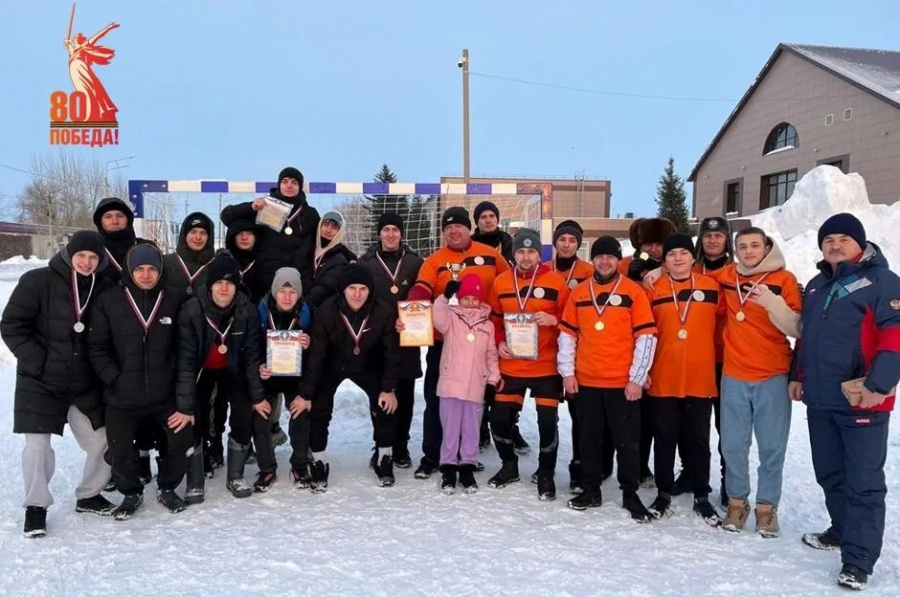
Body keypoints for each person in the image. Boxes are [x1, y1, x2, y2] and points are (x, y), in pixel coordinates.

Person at [649, 227, 801, 536]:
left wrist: (772, 302)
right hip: (732, 373)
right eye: (742, 246)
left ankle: (767, 508)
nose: (748, 251)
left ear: (767, 247)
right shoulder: (726, 278)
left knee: (772, 447)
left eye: (755, 245)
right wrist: (657, 269)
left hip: (772, 372)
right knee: (732, 446)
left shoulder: (784, 279)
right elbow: (682, 275)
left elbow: (797, 328)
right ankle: (736, 503)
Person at [792, 214, 900, 591]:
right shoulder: (817, 285)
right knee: (831, 474)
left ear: (860, 243)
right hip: (821, 399)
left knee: (864, 483)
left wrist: (880, 384)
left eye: (843, 239)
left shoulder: (882, 282)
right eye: (829, 239)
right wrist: (796, 375)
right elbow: (807, 338)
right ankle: (841, 529)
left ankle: (858, 560)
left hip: (862, 398)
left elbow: (895, 335)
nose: (835, 245)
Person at [1, 231, 116, 537]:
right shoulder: (37, 281)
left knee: (104, 439)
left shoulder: (105, 287)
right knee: (37, 447)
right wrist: (39, 363)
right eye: (82, 256)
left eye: (93, 257)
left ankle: (90, 494)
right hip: (40, 381)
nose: (87, 262)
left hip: (84, 383)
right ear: (69, 254)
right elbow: (11, 326)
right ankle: (36, 507)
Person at [87, 243, 194, 519]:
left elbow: (184, 349)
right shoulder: (109, 300)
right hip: (122, 396)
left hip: (164, 395)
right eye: (140, 269)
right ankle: (130, 492)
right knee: (121, 449)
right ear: (130, 271)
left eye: (152, 269)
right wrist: (115, 379)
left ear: (160, 271)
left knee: (180, 440)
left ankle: (167, 487)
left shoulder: (174, 298)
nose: (146, 275)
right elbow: (96, 348)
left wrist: (181, 396)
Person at [406, 206, 510, 479]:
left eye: (459, 226)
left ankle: (467, 457)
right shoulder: (434, 260)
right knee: (436, 399)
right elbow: (422, 288)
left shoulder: (491, 256)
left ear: (469, 228)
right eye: (448, 227)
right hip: (446, 343)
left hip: (480, 342)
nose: (454, 231)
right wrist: (409, 312)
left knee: (473, 404)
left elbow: (509, 286)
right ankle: (432, 455)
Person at [557, 236, 657, 522]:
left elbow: (646, 336)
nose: (604, 261)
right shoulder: (579, 293)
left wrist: (637, 378)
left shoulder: (632, 292)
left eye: (610, 257)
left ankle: (630, 493)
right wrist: (568, 373)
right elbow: (567, 336)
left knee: (627, 442)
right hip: (587, 382)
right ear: (593, 259)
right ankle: (591, 488)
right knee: (589, 440)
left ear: (617, 260)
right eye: (599, 256)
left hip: (621, 384)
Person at [297, 265, 402, 491]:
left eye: (362, 288)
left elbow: (391, 353)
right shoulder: (327, 311)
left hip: (367, 364)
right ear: (343, 290)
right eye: (351, 288)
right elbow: (317, 355)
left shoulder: (382, 311)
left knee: (386, 404)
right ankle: (319, 460)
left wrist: (389, 388)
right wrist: (306, 393)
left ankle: (384, 456)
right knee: (319, 405)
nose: (357, 293)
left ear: (370, 290)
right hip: (332, 364)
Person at [643, 233, 722, 526]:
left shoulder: (711, 287)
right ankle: (663, 492)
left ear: (693, 257)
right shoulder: (652, 288)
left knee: (699, 440)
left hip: (700, 377)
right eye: (672, 254)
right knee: (664, 439)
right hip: (663, 376)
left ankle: (701, 492)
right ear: (664, 260)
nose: (678, 258)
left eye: (683, 253)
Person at [487, 228, 569, 500]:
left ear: (539, 253)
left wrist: (554, 321)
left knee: (548, 423)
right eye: (520, 251)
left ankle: (546, 472)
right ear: (513, 254)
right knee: (498, 419)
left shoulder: (557, 281)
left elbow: (572, 322)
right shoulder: (501, 282)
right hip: (511, 365)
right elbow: (495, 321)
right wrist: (499, 342)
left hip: (546, 366)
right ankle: (509, 466)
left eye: (531, 251)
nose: (525, 256)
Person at [177, 253, 266, 501]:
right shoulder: (192, 310)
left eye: (230, 283)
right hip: (201, 369)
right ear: (211, 284)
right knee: (194, 414)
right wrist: (183, 405)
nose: (224, 288)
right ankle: (194, 480)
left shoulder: (246, 310)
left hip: (232, 368)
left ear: (237, 285)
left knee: (244, 409)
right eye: (219, 283)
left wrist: (257, 396)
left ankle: (235, 475)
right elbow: (184, 360)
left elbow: (251, 357)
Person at [670, 216, 734, 504]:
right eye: (707, 236)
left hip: (728, 359)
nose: (712, 240)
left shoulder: (736, 272)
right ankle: (690, 470)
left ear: (726, 239)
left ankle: (728, 479)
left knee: (726, 425)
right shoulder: (689, 270)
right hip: (693, 357)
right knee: (689, 422)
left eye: (718, 235)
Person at [358, 212, 424, 468]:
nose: (390, 234)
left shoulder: (415, 262)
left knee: (405, 394)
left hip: (408, 337)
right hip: (376, 339)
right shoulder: (366, 264)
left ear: (401, 234)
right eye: (386, 229)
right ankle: (382, 443)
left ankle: (401, 446)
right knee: (380, 393)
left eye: (395, 230)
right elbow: (360, 300)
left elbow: (424, 295)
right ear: (379, 233)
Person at [619, 216, 675, 486]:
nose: (654, 249)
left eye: (659, 243)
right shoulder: (628, 265)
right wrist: (633, 276)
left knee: (660, 416)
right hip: (633, 348)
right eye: (649, 244)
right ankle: (637, 465)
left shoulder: (675, 266)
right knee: (634, 416)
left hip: (666, 348)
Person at [434, 274, 500, 494]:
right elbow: (437, 319)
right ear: (460, 298)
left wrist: (492, 380)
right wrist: (445, 297)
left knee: (471, 429)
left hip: (476, 385)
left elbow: (491, 354)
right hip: (451, 383)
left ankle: (467, 467)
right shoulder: (451, 318)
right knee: (450, 428)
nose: (471, 302)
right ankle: (449, 467)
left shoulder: (488, 325)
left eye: (475, 298)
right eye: (466, 298)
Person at [468, 200, 526, 453]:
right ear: (477, 221)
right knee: (479, 374)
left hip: (507, 316)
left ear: (498, 219)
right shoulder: (468, 245)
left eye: (491, 216)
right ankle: (480, 428)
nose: (488, 220)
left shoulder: (511, 243)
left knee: (509, 376)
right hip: (476, 317)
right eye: (483, 217)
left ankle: (511, 427)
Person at [544, 219, 594, 494]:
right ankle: (546, 465)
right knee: (548, 412)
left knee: (580, 415)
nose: (566, 244)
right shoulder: (543, 269)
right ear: (555, 242)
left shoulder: (588, 271)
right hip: (547, 350)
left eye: (572, 240)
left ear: (578, 244)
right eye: (562, 239)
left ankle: (580, 467)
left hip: (578, 350)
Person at [220, 166, 321, 295]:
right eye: (285, 181)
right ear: (279, 185)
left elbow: (327, 240)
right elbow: (226, 216)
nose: (289, 186)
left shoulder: (310, 214)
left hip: (300, 285)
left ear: (300, 187)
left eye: (294, 182)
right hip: (267, 284)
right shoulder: (265, 206)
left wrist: (348, 256)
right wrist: (251, 207)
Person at [254, 267, 312, 491]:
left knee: (301, 410)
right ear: (274, 292)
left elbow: (318, 354)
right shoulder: (259, 312)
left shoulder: (307, 313)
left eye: (293, 292)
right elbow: (250, 347)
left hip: (294, 374)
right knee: (259, 414)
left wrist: (310, 344)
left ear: (299, 294)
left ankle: (299, 464)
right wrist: (259, 365)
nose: (287, 297)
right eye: (282, 291)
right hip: (267, 373)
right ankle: (267, 469)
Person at [93, 196, 151, 284]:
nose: (115, 221)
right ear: (100, 221)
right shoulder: (93, 249)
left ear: (128, 219)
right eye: (108, 217)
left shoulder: (146, 247)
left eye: (120, 216)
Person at [306, 210, 354, 310]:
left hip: (322, 311)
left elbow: (326, 287)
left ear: (339, 232)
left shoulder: (340, 259)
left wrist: (305, 304)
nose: (328, 230)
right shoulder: (307, 249)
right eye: (326, 224)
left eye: (334, 227)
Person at [162, 212, 215, 296]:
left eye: (203, 233)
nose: (198, 237)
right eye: (193, 231)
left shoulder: (216, 265)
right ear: (185, 234)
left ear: (209, 237)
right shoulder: (164, 262)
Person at [224, 217, 267, 305]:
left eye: (249, 233)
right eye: (240, 233)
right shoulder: (224, 262)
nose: (244, 237)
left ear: (256, 238)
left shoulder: (264, 262)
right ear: (233, 237)